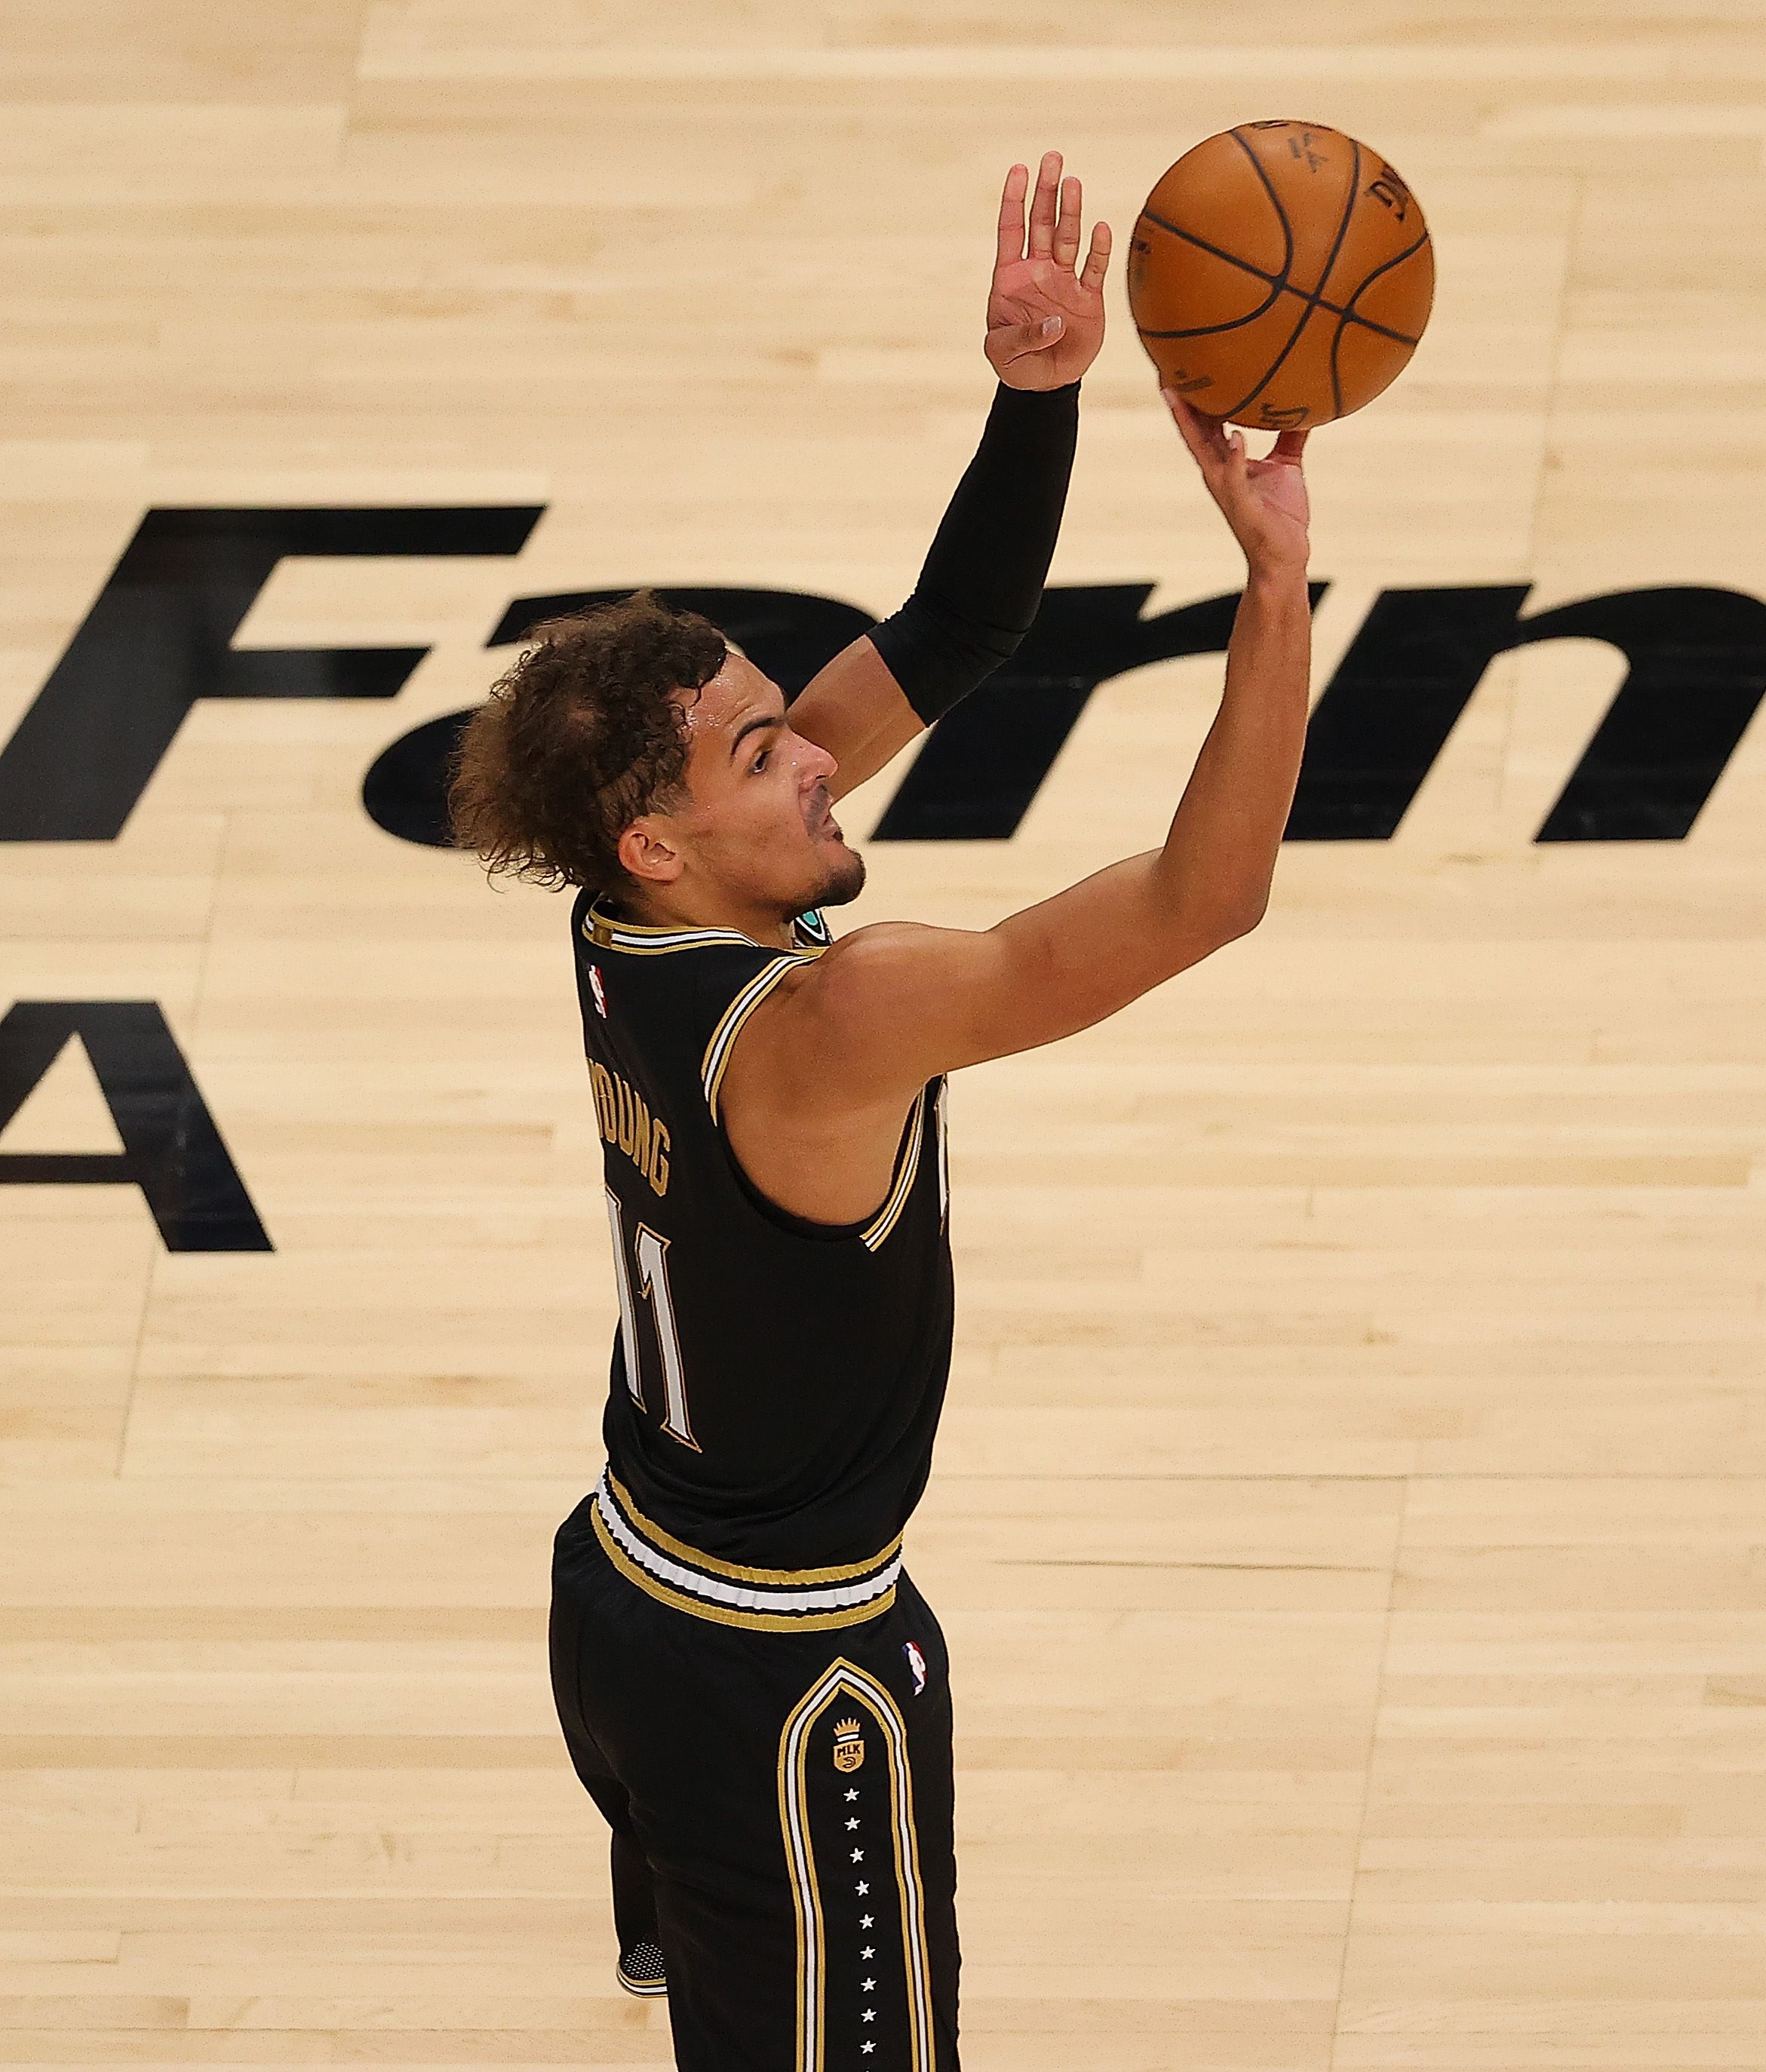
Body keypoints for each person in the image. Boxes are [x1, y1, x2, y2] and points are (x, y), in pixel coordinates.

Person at [441, 149, 1313, 2070]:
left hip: (623, 1584)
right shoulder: (830, 1019)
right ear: (664, 837)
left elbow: (956, 628)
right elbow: (1206, 899)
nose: (823, 759)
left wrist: (1035, 395)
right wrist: (1271, 586)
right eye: (769, 752)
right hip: (778, 1678)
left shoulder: (621, 914)